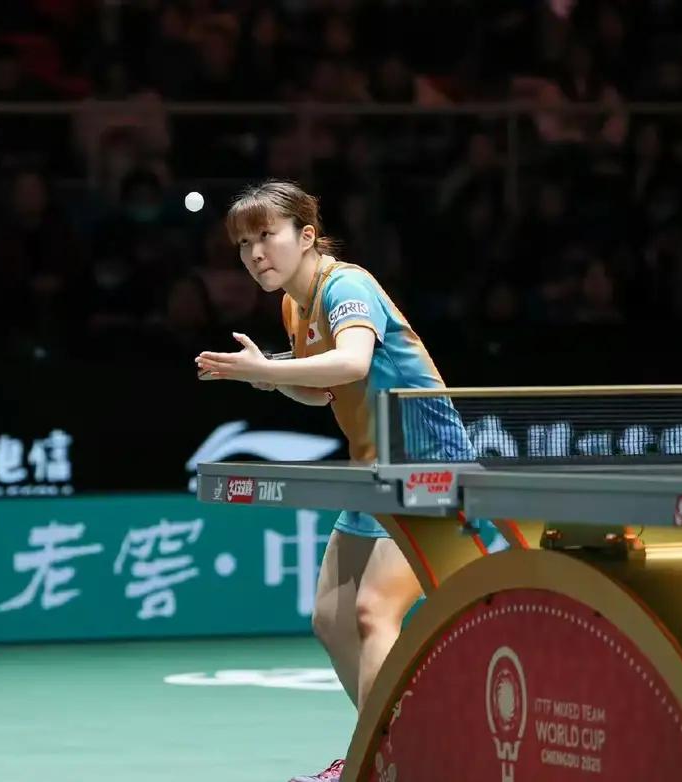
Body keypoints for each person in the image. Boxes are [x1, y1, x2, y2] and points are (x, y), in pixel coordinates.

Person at [195, 180, 474, 782]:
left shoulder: (347, 286)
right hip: (372, 471)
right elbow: (323, 390)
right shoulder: (294, 306)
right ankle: (395, 749)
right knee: (331, 617)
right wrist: (265, 378)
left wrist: (271, 369)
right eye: (243, 244)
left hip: (427, 467)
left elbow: (353, 362)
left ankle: (374, 764)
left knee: (374, 612)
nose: (255, 254)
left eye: (266, 235)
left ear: (306, 236)